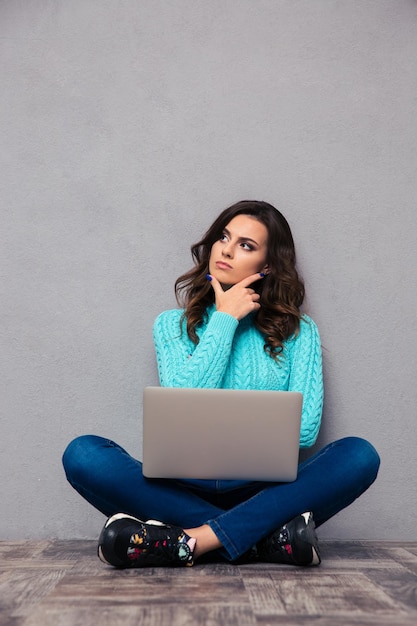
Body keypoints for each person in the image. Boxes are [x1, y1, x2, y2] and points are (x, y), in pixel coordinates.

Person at [62, 200, 380, 569]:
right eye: (224, 237)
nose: (227, 249)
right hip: (179, 488)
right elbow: (180, 405)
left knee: (359, 454)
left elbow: (306, 429)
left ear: (268, 265)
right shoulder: (172, 325)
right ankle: (264, 540)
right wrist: (224, 320)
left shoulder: (299, 331)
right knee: (83, 454)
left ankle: (192, 540)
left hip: (265, 490)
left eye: (246, 245)